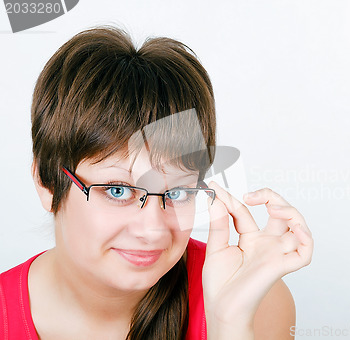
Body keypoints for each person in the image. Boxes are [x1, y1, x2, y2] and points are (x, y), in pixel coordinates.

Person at [0, 26, 313, 340]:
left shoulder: (251, 300)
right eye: (117, 190)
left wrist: (229, 325)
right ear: (47, 182)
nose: (153, 230)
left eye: (176, 192)